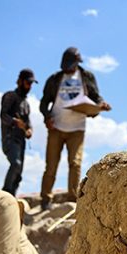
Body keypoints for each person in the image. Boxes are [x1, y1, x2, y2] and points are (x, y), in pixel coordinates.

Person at [38, 46, 111, 210]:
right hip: (56, 127)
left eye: (71, 66)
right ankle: (45, 200)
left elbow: (96, 97)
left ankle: (72, 200)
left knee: (75, 163)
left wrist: (101, 105)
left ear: (77, 63)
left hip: (77, 128)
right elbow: (44, 102)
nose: (68, 70)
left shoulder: (86, 77)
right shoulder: (55, 79)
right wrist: (47, 117)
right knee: (51, 165)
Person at [0, 68, 36, 194]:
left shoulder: (26, 104)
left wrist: (29, 130)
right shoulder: (10, 96)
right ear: (20, 81)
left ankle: (12, 197)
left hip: (21, 142)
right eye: (28, 83)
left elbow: (28, 122)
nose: (29, 86)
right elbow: (3, 116)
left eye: (31, 84)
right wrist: (15, 122)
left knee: (19, 173)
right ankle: (5, 194)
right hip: (10, 139)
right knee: (15, 164)